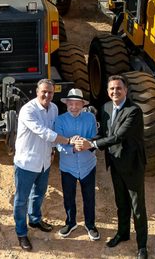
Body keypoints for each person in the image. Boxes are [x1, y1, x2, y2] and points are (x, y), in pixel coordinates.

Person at [75, 75, 148, 259]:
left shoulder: (134, 111)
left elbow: (118, 137)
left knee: (137, 207)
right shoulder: (106, 107)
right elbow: (103, 133)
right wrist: (87, 139)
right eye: (112, 89)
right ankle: (123, 234)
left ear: (126, 90)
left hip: (132, 166)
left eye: (118, 88)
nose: (115, 92)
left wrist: (91, 145)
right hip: (115, 163)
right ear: (108, 92)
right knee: (121, 203)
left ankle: (142, 247)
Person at [13, 79, 72, 251]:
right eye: (44, 92)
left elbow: (54, 129)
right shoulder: (28, 111)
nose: (47, 95)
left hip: (44, 162)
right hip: (27, 163)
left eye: (50, 92)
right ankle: (21, 232)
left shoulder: (53, 108)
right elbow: (45, 133)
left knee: (39, 194)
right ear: (37, 92)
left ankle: (35, 220)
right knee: (21, 200)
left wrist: (53, 151)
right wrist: (68, 141)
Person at [54, 88, 99, 241]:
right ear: (66, 104)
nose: (74, 107)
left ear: (82, 104)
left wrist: (86, 144)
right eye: (70, 104)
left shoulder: (90, 118)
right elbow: (58, 143)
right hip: (68, 167)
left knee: (89, 197)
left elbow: (94, 138)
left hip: (88, 165)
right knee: (68, 196)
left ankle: (90, 224)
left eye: (77, 104)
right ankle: (70, 222)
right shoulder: (60, 120)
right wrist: (72, 148)